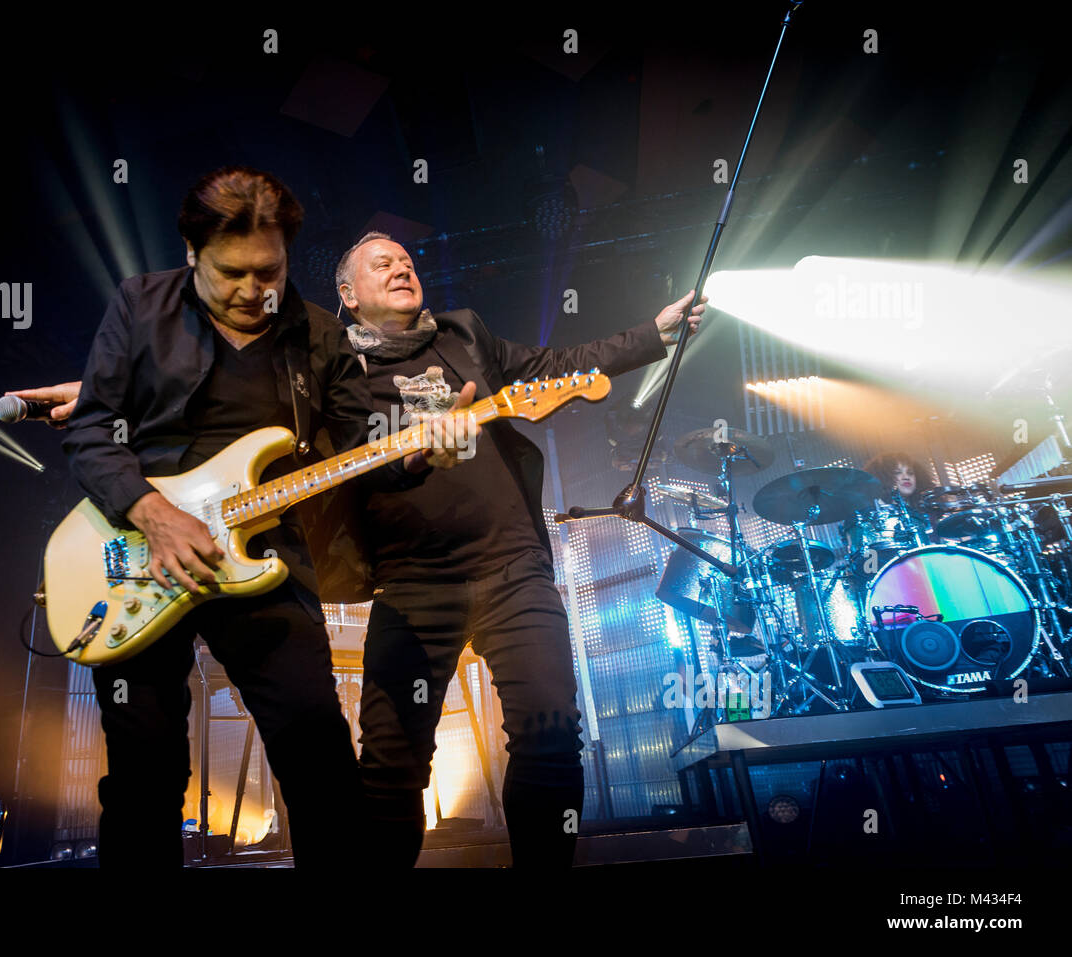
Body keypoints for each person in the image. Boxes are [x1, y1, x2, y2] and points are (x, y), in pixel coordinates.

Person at [35, 168, 477, 869]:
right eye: (230, 274)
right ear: (191, 253)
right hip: (138, 552)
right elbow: (91, 431)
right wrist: (153, 513)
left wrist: (426, 452)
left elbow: (368, 446)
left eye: (267, 272)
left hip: (265, 556)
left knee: (319, 753)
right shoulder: (139, 306)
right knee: (144, 774)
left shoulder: (319, 336)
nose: (252, 291)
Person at [333, 232, 704, 868]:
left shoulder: (465, 334)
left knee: (552, 735)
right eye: (381, 263)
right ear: (347, 294)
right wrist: (417, 448)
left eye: (407, 260)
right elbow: (350, 466)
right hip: (414, 582)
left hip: (512, 568)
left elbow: (554, 365)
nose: (401, 267)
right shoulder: (336, 367)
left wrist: (653, 336)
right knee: (391, 762)